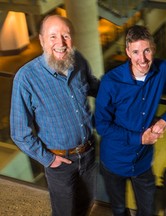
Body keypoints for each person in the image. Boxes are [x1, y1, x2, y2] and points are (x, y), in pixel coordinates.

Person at [10, 14, 100, 216]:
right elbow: (19, 132)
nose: (60, 42)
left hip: (87, 154)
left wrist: (127, 91)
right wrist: (49, 160)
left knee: (86, 205)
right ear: (41, 40)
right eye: (53, 36)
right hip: (60, 163)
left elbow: (95, 87)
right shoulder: (26, 78)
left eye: (65, 36)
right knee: (64, 212)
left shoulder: (78, 61)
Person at [95, 25, 166, 216]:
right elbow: (102, 125)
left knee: (147, 211)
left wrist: (165, 120)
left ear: (153, 48)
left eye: (146, 50)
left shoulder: (163, 69)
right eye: (136, 52)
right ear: (128, 52)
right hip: (114, 161)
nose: (143, 59)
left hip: (142, 161)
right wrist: (140, 138)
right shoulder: (110, 82)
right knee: (119, 210)